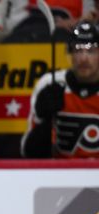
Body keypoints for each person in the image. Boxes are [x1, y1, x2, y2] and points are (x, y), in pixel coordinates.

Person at [22, 20, 99, 157]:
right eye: (78, 49)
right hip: (60, 175)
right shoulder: (50, 84)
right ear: (70, 53)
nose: (83, 58)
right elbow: (28, 153)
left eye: (91, 51)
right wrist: (43, 120)